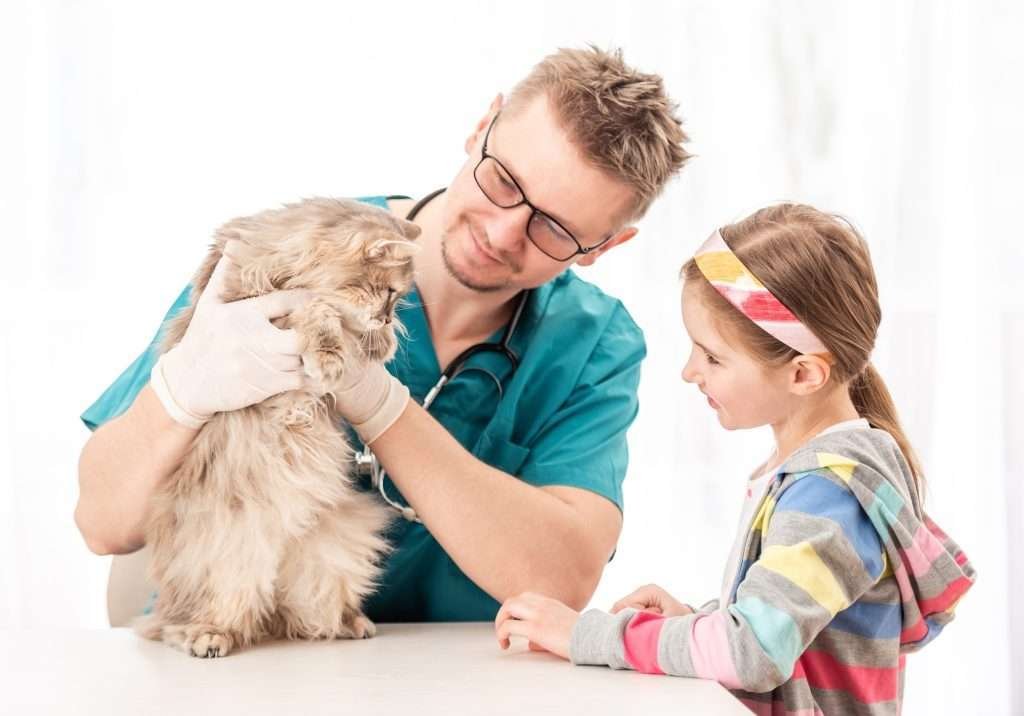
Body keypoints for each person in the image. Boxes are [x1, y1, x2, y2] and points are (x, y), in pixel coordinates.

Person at [75, 47, 692, 622]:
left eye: (554, 228)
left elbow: (560, 578)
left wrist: (379, 403)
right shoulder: (297, 246)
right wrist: (185, 391)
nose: (504, 234)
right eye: (503, 181)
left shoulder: (593, 344)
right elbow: (101, 522)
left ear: (604, 247)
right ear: (482, 127)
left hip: (453, 684)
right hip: (238, 659)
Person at [495, 204, 976, 714]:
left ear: (804, 375)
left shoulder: (828, 493)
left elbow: (754, 655)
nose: (689, 371)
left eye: (713, 356)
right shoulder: (822, 475)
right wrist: (692, 623)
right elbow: (783, 635)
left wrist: (587, 635)